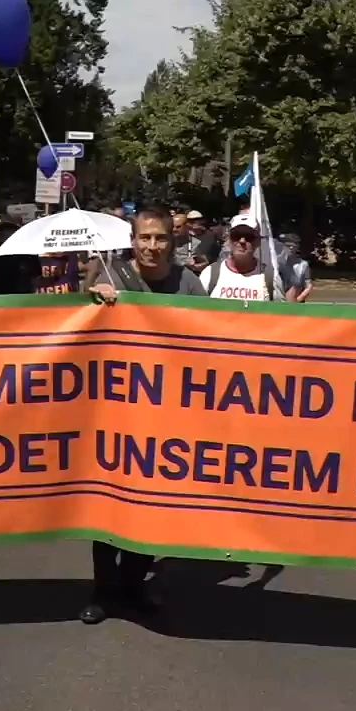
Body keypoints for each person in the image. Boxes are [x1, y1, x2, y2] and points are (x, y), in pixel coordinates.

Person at [82, 206, 205, 625]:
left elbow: (209, 341)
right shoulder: (112, 277)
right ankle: (103, 591)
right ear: (133, 242)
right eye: (145, 238)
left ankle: (133, 585)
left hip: (168, 416)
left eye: (161, 238)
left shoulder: (188, 284)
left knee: (152, 505)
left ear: (174, 241)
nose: (152, 246)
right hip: (116, 416)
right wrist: (95, 299)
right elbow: (79, 333)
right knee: (107, 505)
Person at [199, 214, 286, 301]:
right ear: (229, 240)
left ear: (258, 242)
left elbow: (280, 312)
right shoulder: (210, 274)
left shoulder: (271, 277)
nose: (242, 241)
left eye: (249, 237)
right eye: (236, 236)